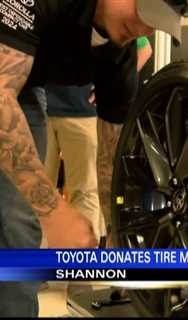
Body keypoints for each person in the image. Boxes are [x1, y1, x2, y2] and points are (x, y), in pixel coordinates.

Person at [0, 0, 188, 317]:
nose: (145, 29)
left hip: (23, 87)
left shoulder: (118, 57)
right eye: (145, 13)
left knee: (18, 223)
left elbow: (110, 156)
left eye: (155, 24)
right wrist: (55, 212)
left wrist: (118, 228)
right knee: (25, 214)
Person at [44, 37, 153, 243]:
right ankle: (32, 266)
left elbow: (144, 48)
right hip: (40, 106)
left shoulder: (99, 9)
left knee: (84, 192)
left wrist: (112, 84)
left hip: (82, 113)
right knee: (37, 192)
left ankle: (83, 267)